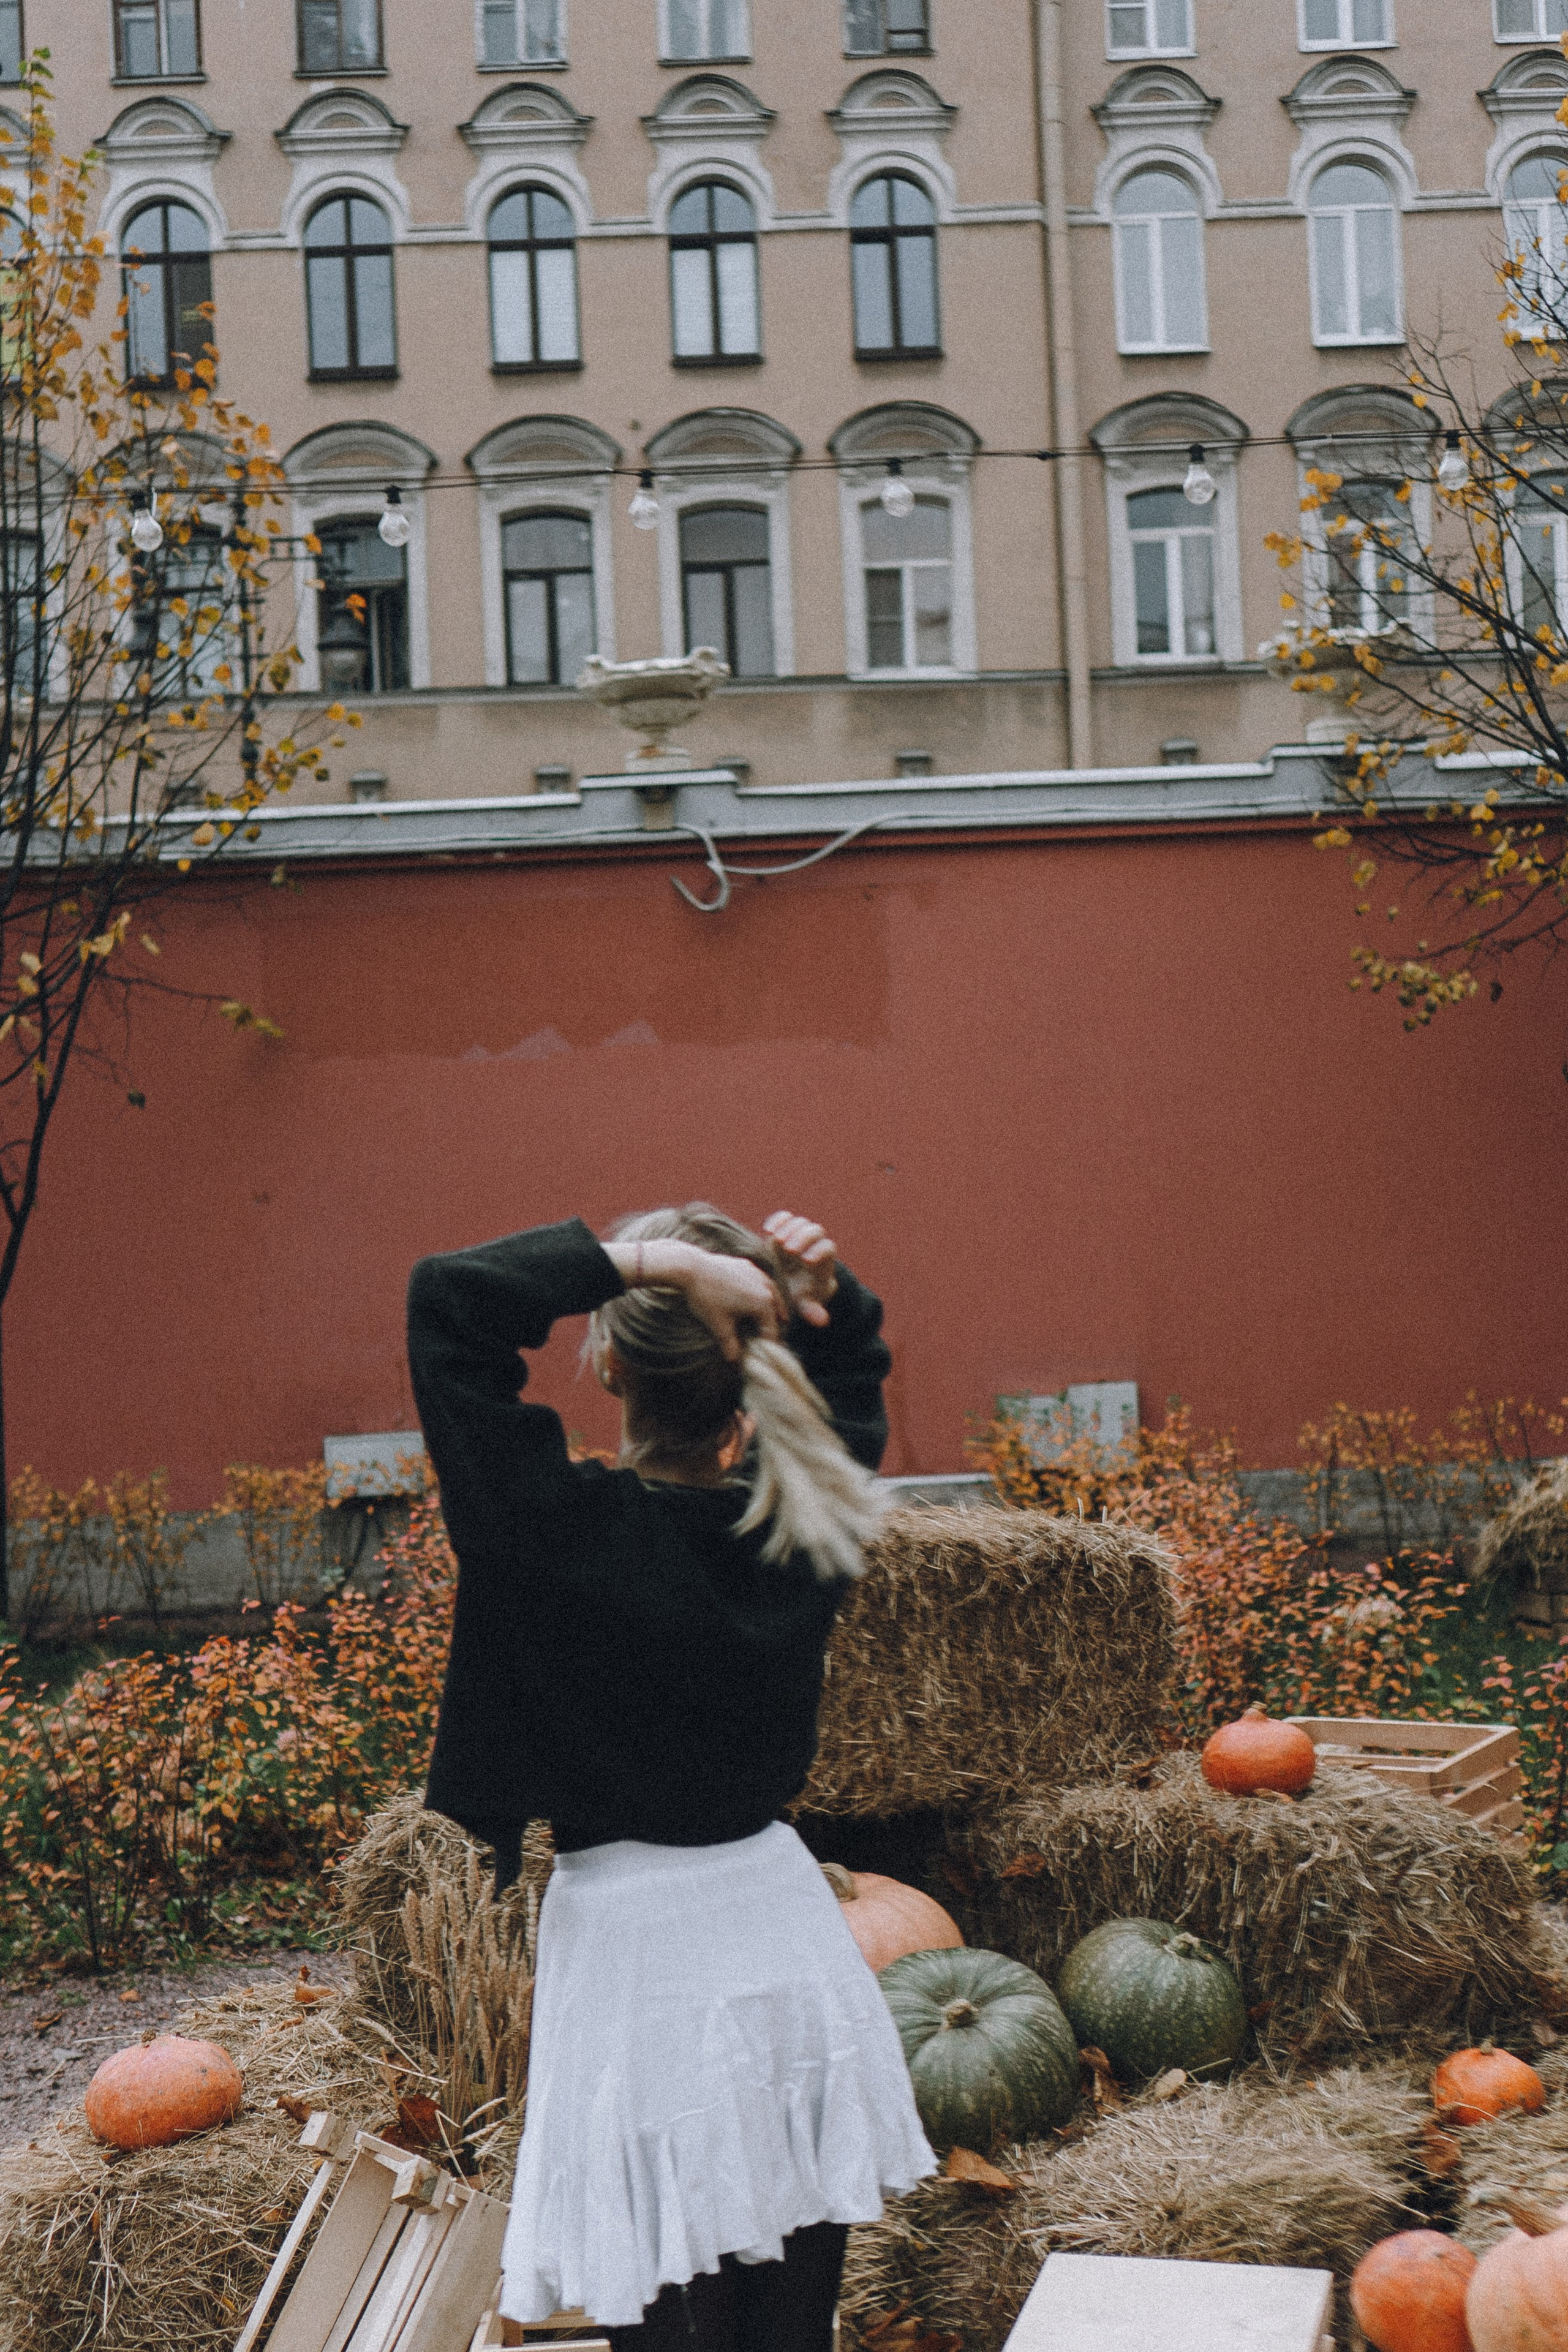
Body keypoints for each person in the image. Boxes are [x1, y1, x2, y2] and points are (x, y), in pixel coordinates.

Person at [406, 1204, 935, 2352]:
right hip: (781, 1929)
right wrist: (826, 1306)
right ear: (749, 1380)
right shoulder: (796, 1525)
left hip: (633, 1953)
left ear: (609, 1363)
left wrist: (650, 1262)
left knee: (669, 2312)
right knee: (789, 2324)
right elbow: (851, 1389)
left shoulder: (546, 1531)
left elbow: (449, 1300)